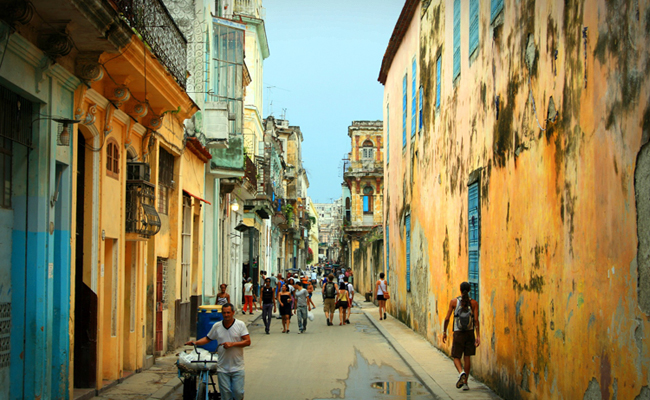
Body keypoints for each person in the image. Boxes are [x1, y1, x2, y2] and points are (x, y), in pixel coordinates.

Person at [185, 303, 250, 400]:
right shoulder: (217, 326)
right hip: (222, 368)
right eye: (224, 313)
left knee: (238, 393)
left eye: (228, 312)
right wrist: (195, 342)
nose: (226, 315)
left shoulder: (240, 325)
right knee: (225, 395)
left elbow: (247, 341)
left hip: (238, 367)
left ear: (233, 312)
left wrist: (232, 344)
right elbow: (208, 338)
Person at [442, 282, 481, 391]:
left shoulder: (454, 302)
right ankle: (466, 383)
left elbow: (447, 318)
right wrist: (478, 335)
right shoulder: (474, 303)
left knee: (456, 356)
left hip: (458, 333)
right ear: (469, 290)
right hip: (469, 333)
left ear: (460, 290)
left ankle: (461, 372)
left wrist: (444, 332)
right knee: (467, 357)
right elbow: (476, 320)